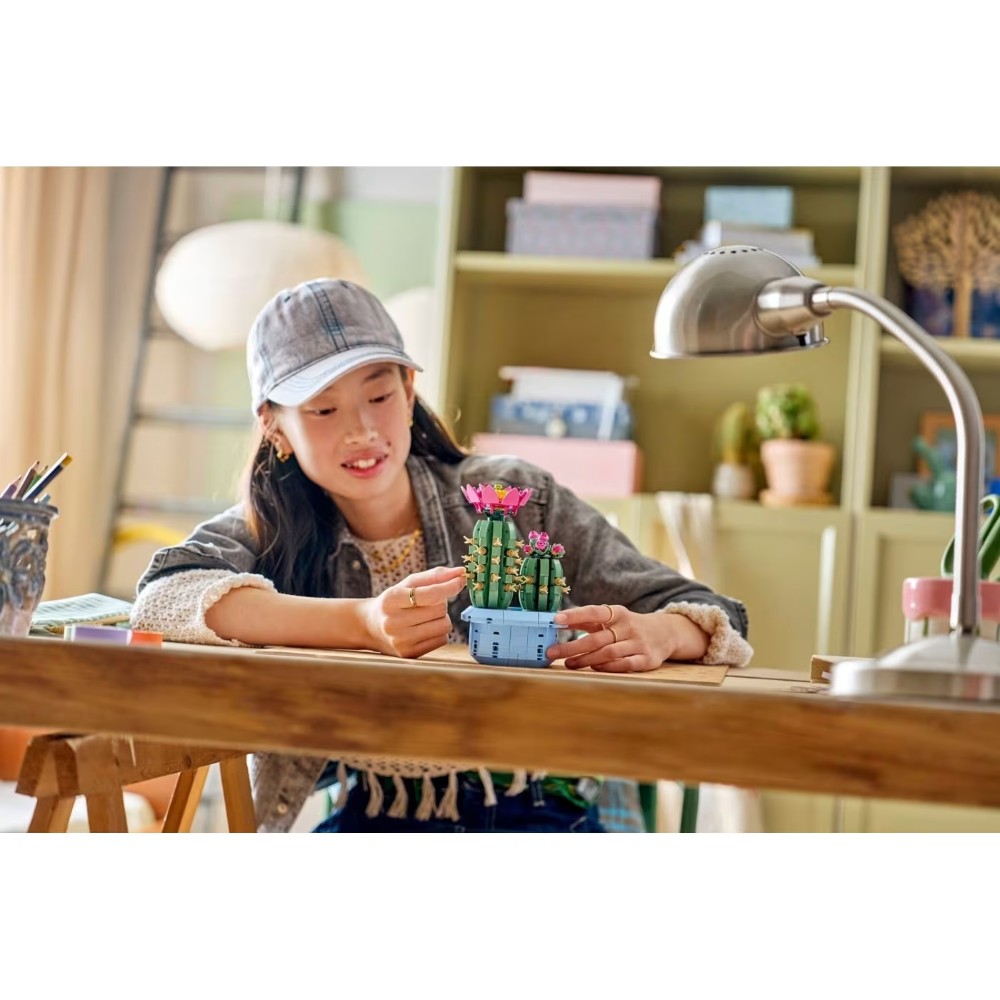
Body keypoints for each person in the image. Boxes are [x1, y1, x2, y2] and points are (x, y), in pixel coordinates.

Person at [131, 278, 753, 833]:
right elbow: (162, 598)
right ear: (274, 426)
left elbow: (713, 614)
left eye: (379, 396)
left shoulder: (517, 497)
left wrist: (663, 633)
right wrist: (362, 623)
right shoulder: (266, 528)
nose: (361, 431)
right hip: (375, 814)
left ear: (409, 391)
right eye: (323, 409)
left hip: (536, 812)